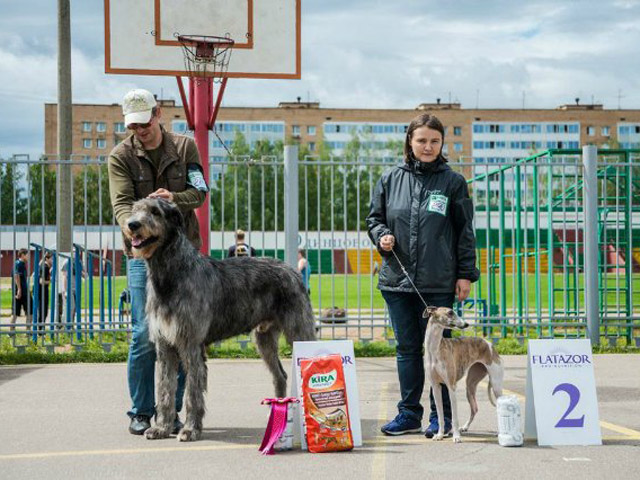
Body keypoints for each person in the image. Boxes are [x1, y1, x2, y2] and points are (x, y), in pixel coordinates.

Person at [366, 113, 480, 437]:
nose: (428, 146)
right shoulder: (390, 179)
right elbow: (374, 219)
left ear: (442, 143)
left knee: (440, 351)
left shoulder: (453, 182)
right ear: (410, 142)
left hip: (439, 282)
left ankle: (439, 418)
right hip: (397, 282)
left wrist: (465, 275)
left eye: (434, 141)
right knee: (407, 349)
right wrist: (382, 236)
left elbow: (464, 232)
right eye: (422, 140)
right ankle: (408, 414)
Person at [108, 88, 208, 435]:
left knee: (184, 335)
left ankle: (172, 412)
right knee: (143, 335)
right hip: (143, 254)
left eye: (145, 123)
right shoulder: (119, 156)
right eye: (133, 126)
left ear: (158, 114)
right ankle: (141, 410)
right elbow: (121, 204)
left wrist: (174, 198)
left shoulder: (185, 148)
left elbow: (200, 192)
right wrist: (132, 225)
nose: (140, 130)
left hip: (185, 257)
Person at [10, 248, 31, 332]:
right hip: (19, 293)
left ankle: (28, 332)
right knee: (15, 313)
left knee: (30, 312)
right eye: (27, 254)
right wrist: (19, 289)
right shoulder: (18, 264)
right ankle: (11, 332)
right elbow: (16, 275)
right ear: (22, 255)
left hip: (25, 292)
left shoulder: (22, 264)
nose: (29, 256)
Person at [33, 252, 53, 328]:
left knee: (43, 311)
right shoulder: (45, 267)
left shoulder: (43, 265)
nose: (53, 261)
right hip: (42, 291)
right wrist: (51, 280)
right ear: (47, 259)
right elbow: (42, 281)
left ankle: (40, 329)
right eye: (51, 259)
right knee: (43, 311)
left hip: (41, 291)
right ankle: (40, 330)